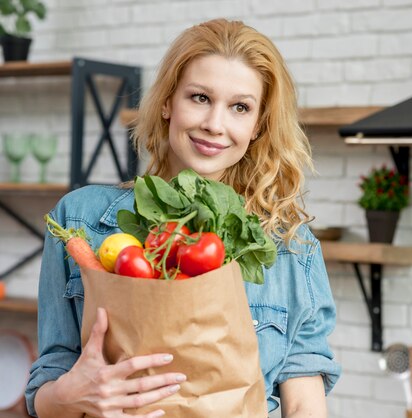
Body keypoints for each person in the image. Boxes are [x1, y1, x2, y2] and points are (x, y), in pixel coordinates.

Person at [25, 18, 341, 418]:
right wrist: (72, 394)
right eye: (200, 98)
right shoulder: (80, 220)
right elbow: (46, 387)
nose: (215, 124)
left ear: (257, 125)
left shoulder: (290, 246)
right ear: (166, 102)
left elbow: (303, 406)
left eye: (239, 107)